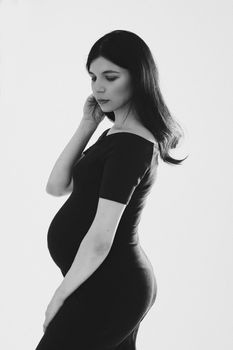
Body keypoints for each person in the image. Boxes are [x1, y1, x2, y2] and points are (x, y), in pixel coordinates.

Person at [35, 29, 188, 349]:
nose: (99, 87)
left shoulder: (133, 145)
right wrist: (88, 124)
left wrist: (59, 297)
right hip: (105, 284)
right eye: (92, 77)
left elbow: (101, 238)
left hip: (113, 287)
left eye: (110, 76)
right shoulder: (116, 136)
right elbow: (56, 185)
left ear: (138, 77)